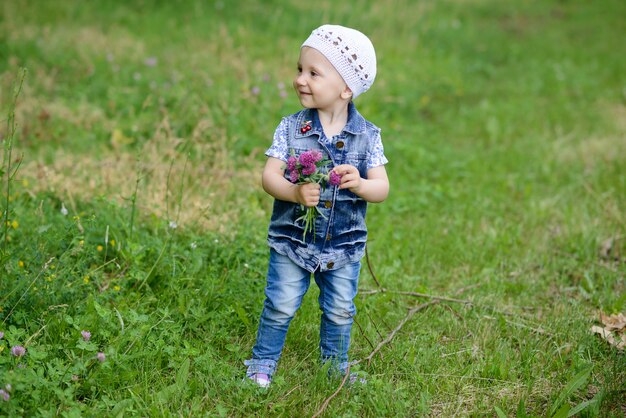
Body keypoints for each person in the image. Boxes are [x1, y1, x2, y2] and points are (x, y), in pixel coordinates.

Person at [244, 24, 389, 388]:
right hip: (293, 241)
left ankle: (334, 367)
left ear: (346, 88)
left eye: (313, 73)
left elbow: (382, 188)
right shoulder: (291, 128)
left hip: (343, 246)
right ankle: (262, 362)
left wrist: (360, 183)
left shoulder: (368, 136)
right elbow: (269, 177)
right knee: (280, 305)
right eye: (299, 69)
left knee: (340, 311)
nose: (300, 80)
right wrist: (293, 194)